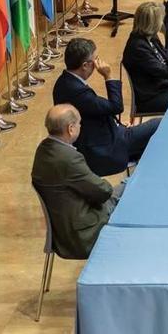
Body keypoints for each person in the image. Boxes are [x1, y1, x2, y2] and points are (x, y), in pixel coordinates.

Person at [53, 38, 160, 177]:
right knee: (159, 125)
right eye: (95, 59)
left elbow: (95, 111)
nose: (98, 63)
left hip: (104, 133)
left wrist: (117, 123)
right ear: (85, 65)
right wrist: (108, 76)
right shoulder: (77, 91)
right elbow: (116, 106)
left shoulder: (63, 81)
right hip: (105, 147)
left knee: (152, 137)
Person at [32, 105, 124, 259]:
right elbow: (103, 192)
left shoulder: (43, 149)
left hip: (62, 234)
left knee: (125, 187)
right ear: (71, 128)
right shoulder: (69, 159)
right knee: (128, 190)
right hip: (83, 236)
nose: (81, 126)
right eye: (79, 123)